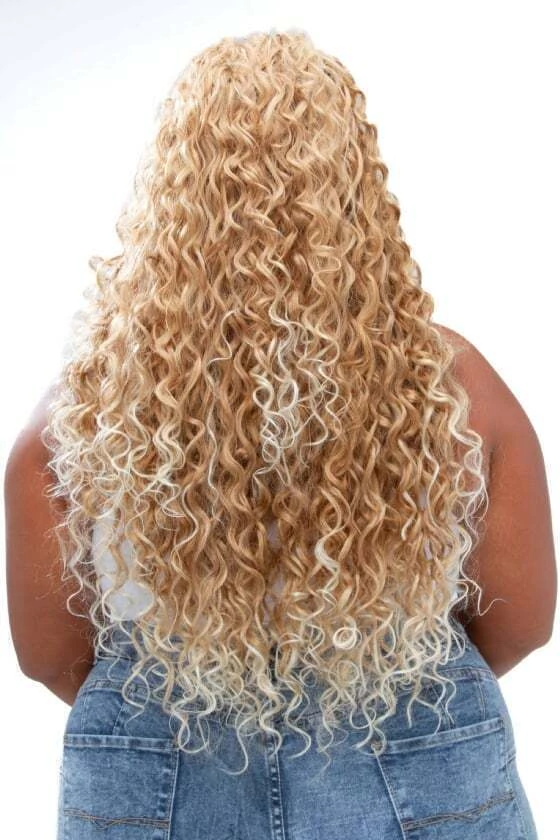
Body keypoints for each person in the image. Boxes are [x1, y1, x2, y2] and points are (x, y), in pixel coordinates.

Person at [5, 28, 555, 840]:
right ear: (352, 187)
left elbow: (51, 654)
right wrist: (378, 682)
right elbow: (522, 618)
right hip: (413, 756)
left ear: (177, 191)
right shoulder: (455, 389)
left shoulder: (81, 411)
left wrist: (194, 688)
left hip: (167, 770)